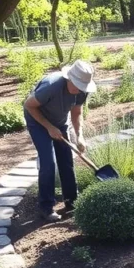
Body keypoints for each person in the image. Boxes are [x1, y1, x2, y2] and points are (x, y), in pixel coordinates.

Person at [23, 60, 97, 221]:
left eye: (82, 87)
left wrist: (80, 136)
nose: (79, 90)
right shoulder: (52, 86)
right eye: (76, 85)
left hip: (59, 122)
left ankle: (72, 200)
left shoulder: (82, 90)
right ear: (69, 78)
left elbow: (77, 113)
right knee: (48, 162)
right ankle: (46, 207)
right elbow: (29, 105)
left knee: (66, 160)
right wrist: (49, 127)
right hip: (38, 121)